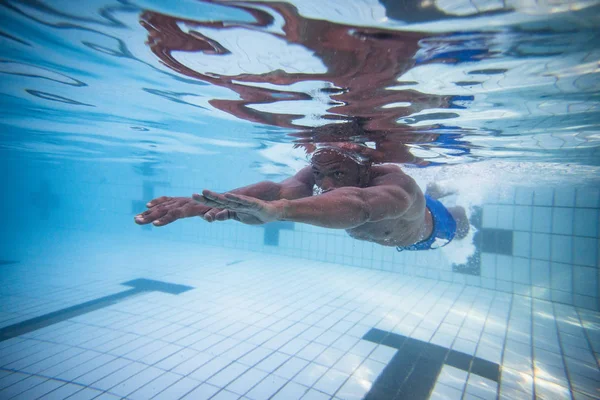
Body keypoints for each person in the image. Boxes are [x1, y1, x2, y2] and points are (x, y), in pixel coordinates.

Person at [134, 146, 469, 251]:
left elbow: (362, 207)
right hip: (397, 227)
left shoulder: (397, 185)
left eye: (335, 174)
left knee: (461, 220)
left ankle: (450, 200)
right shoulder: (322, 173)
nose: (323, 183)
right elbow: (277, 191)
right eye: (318, 173)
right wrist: (207, 204)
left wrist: (280, 212)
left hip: (431, 230)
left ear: (364, 166)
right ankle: (437, 189)